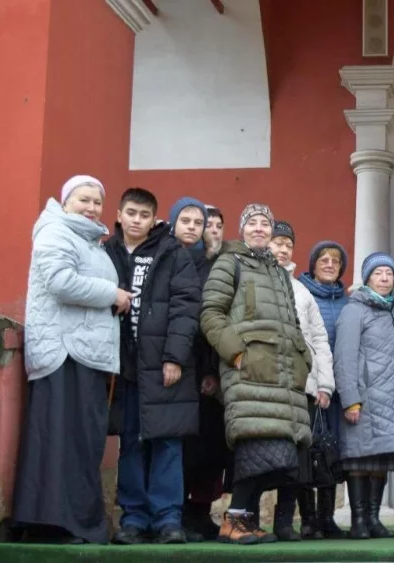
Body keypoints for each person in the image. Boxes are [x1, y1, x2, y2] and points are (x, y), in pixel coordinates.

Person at [14, 175, 131, 545]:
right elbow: (61, 281)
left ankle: (68, 521)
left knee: (81, 440)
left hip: (84, 353)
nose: (92, 207)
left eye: (97, 201)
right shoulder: (55, 231)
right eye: (84, 199)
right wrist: (112, 293)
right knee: (62, 439)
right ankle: (57, 523)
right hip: (64, 352)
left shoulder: (89, 240)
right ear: (66, 202)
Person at [200, 204, 313, 545]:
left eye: (266, 223)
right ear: (243, 229)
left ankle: (245, 521)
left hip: (283, 375)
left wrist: (303, 358)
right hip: (248, 371)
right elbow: (210, 313)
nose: (261, 229)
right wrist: (235, 352)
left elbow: (292, 320)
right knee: (254, 447)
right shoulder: (229, 262)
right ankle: (232, 521)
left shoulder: (278, 271)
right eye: (254, 223)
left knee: (276, 456)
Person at [104, 188, 201, 545]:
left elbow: (186, 306)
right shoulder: (106, 252)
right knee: (130, 442)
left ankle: (167, 519)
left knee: (167, 444)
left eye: (144, 215)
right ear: (119, 213)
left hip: (163, 366)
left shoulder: (172, 252)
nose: (136, 220)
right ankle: (133, 519)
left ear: (154, 219)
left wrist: (174, 357)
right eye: (131, 213)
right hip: (124, 366)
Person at [334, 252, 394, 540]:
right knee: (360, 461)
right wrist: (350, 399)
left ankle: (373, 519)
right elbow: (344, 357)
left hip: (392, 400)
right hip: (365, 399)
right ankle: (358, 521)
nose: (384, 278)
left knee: (380, 460)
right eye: (378, 273)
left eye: (389, 273)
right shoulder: (354, 310)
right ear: (367, 278)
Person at [268, 221, 335, 541]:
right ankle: (250, 518)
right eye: (276, 242)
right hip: (265, 385)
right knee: (263, 453)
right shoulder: (251, 280)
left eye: (287, 244)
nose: (282, 249)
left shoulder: (302, 291)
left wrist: (324, 385)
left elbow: (319, 341)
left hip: (302, 387)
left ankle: (284, 521)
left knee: (298, 459)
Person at [167, 197, 229, 543]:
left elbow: (212, 321)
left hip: (207, 369)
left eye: (214, 225)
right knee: (183, 447)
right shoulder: (172, 258)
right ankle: (175, 513)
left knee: (209, 447)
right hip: (175, 365)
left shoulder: (216, 266)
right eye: (208, 225)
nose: (207, 230)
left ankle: (200, 513)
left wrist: (211, 370)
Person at [298, 240, 351, 538]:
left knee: (331, 453)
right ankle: (308, 519)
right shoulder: (302, 295)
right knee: (308, 452)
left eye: (335, 260)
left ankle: (327, 518)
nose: (330, 264)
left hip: (337, 392)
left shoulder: (348, 302)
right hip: (309, 386)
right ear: (313, 265)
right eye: (323, 259)